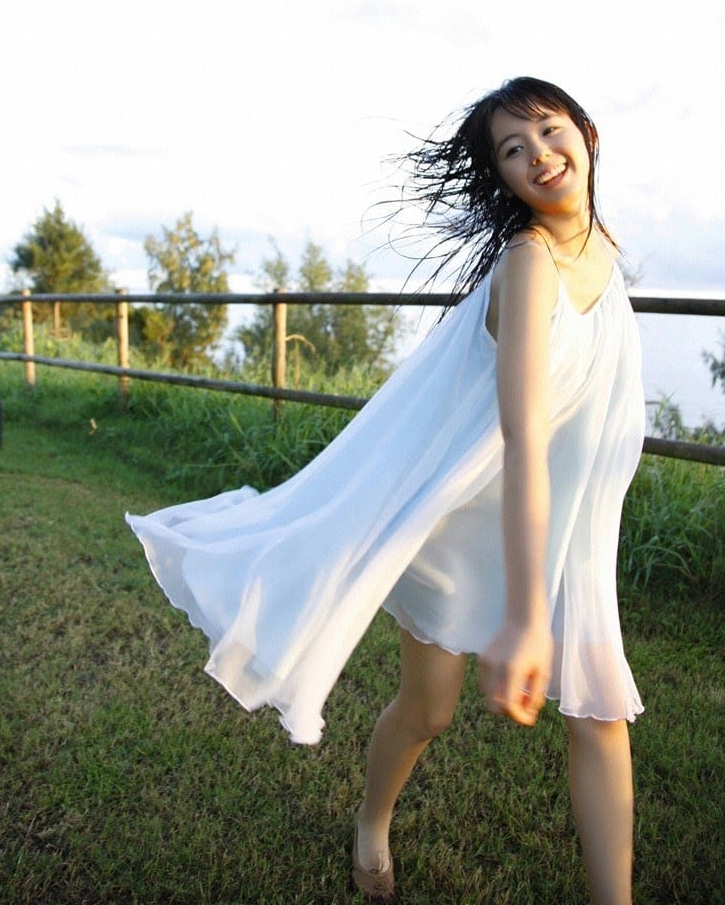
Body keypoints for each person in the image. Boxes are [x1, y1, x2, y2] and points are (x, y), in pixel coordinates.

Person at [126, 77, 644, 905]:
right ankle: (372, 823)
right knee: (429, 710)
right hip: (462, 525)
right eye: (514, 150)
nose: (540, 156)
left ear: (586, 132)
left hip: (567, 527)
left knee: (600, 715)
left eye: (550, 131)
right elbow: (521, 439)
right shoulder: (529, 265)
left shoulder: (604, 247)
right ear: (503, 179)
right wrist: (522, 618)